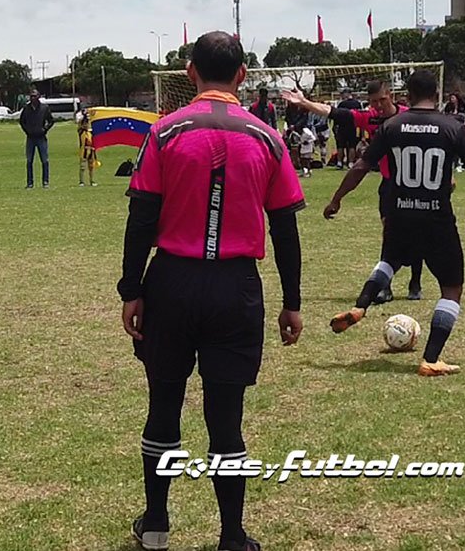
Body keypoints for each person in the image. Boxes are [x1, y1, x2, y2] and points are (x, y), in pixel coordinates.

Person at [120, 31, 304, 551]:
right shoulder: (267, 136)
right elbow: (285, 227)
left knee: (164, 404)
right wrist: (293, 302)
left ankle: (156, 526)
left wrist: (131, 288)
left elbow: (141, 216)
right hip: (236, 288)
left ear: (189, 71)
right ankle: (232, 536)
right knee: (226, 420)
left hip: (171, 283)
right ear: (243, 75)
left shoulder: (164, 133)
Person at [323, 70, 465, 377]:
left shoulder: (392, 126)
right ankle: (430, 358)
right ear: (436, 95)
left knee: (388, 261)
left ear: (408, 96)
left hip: (400, 213)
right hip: (437, 218)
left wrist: (336, 199)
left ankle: (361, 306)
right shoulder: (452, 126)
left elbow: (361, 165)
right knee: (451, 289)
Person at [283, 80, 424, 302]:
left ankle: (415, 281)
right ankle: (385, 286)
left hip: (415, 183)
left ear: (391, 95)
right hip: (389, 184)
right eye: (373, 102)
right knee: (389, 232)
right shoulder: (369, 118)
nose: (378, 105)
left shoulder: (409, 116)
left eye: (382, 100)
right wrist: (304, 102)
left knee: (417, 233)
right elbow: (333, 112)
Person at [19, 89, 54, 188]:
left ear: (38, 97)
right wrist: (27, 131)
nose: (33, 98)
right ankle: (30, 183)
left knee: (44, 160)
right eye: (31, 96)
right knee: (29, 161)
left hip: (41, 137)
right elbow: (22, 121)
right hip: (30, 138)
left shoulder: (44, 108)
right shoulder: (26, 108)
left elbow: (51, 121)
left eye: (34, 96)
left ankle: (45, 182)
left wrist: (45, 129)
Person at [333, 89, 361, 169]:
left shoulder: (341, 104)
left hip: (342, 127)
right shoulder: (357, 104)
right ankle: (351, 162)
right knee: (352, 145)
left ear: (346, 94)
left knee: (340, 146)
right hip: (353, 127)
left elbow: (337, 116)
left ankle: (339, 162)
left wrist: (335, 127)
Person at [77, 109, 98, 186]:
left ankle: (92, 180)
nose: (86, 124)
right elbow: (80, 122)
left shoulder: (91, 132)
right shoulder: (81, 131)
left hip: (91, 150)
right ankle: (81, 181)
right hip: (84, 150)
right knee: (82, 166)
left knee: (91, 166)